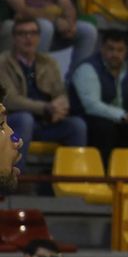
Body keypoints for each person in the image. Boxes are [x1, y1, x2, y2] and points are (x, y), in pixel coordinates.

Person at [0, 18, 87, 165]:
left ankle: (71, 181)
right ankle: (14, 180)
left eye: (33, 33)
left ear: (39, 37)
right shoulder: (3, 62)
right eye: (23, 34)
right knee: (25, 119)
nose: (29, 38)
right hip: (12, 125)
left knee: (77, 125)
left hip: (45, 122)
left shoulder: (48, 62)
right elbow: (10, 100)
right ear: (14, 38)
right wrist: (45, 108)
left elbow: (60, 92)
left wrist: (61, 107)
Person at [70, 30, 128, 158]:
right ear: (102, 49)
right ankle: (105, 174)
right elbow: (92, 106)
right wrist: (124, 116)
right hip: (89, 119)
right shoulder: (88, 68)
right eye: (110, 49)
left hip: (120, 120)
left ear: (125, 52)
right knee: (105, 127)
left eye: (120, 50)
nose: (115, 54)